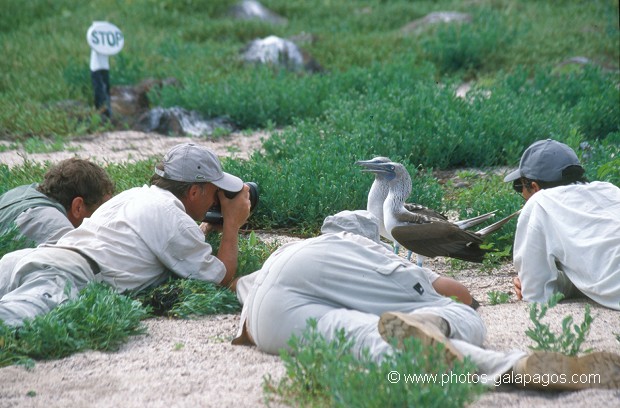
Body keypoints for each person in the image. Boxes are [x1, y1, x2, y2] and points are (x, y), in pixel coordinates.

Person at [233, 210, 619, 390]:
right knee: (451, 312)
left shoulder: (284, 252)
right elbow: (455, 291)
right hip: (310, 278)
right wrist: (456, 305)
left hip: (262, 319)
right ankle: (444, 328)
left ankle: (511, 366)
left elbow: (239, 283)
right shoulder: (357, 246)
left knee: (367, 338)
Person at [0, 143, 251, 326]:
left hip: (33, 258)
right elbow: (220, 277)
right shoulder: (172, 218)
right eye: (214, 191)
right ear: (195, 192)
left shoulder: (136, 196)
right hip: (66, 276)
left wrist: (206, 227)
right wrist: (232, 224)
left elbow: (167, 240)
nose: (217, 198)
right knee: (9, 325)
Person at [504, 139, 620, 310]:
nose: (521, 192)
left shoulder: (540, 202)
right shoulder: (609, 190)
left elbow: (537, 293)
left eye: (519, 185)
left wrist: (533, 282)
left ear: (534, 187)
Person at [0, 158, 115, 245]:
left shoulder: (20, 192)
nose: (107, 217)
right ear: (78, 207)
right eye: (103, 209)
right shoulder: (55, 229)